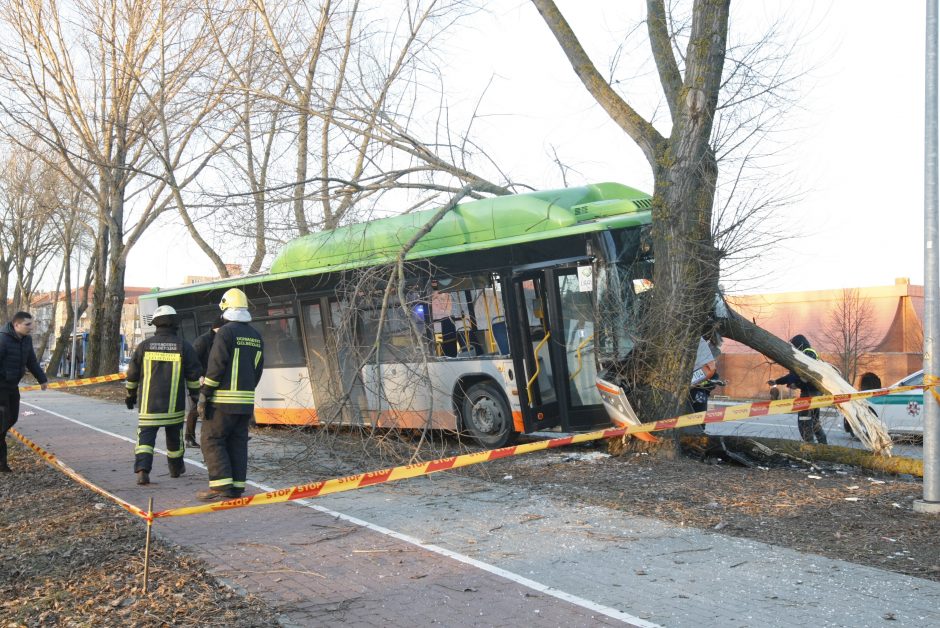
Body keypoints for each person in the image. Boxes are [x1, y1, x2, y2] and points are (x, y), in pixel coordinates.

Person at [196, 288, 264, 501]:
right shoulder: (255, 335)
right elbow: (258, 369)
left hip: (222, 402)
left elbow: (216, 365)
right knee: (237, 442)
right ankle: (236, 487)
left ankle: (220, 486)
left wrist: (205, 392)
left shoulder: (225, 333)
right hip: (245, 402)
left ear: (225, 308)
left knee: (212, 439)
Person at [125, 305, 203, 485]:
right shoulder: (184, 346)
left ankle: (143, 470)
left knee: (145, 439)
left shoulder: (143, 346)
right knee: (174, 437)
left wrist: (130, 395)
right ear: (175, 324)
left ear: (155, 324)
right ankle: (175, 469)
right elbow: (193, 375)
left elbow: (132, 375)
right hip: (173, 406)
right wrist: (194, 396)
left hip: (148, 406)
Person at [0, 312, 48, 472]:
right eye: (28, 324)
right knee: (2, 422)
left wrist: (42, 379)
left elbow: (31, 361)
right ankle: (2, 464)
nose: (31, 327)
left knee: (11, 419)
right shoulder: (2, 339)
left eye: (31, 324)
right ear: (16, 325)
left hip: (12, 387)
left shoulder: (26, 340)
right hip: (1, 387)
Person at [767, 334, 828, 444]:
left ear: (800, 344)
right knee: (814, 422)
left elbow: (804, 374)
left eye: (794, 346)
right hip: (813, 392)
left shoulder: (808, 353)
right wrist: (777, 381)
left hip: (810, 393)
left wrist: (796, 383)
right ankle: (823, 448)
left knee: (804, 422)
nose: (794, 348)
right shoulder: (806, 354)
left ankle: (811, 450)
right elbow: (795, 375)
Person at [183, 317, 225, 448]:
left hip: (212, 378)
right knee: (197, 409)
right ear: (217, 328)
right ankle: (190, 438)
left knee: (210, 407)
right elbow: (192, 360)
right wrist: (199, 375)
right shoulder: (203, 340)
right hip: (200, 380)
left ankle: (215, 437)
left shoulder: (219, 340)